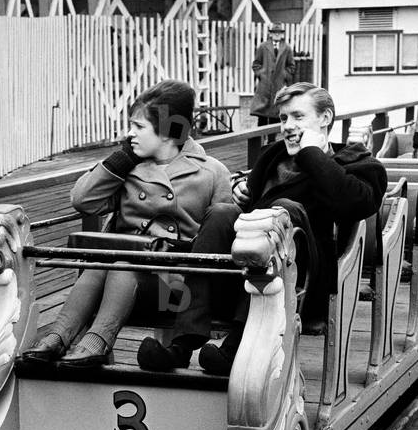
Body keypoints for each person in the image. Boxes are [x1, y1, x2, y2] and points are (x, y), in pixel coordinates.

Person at [138, 82, 387, 374]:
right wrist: (243, 195)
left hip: (301, 283)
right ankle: (181, 346)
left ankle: (236, 347)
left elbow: (357, 204)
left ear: (326, 117)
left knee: (283, 209)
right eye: (283, 119)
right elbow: (245, 220)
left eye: (298, 117)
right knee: (221, 213)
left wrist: (311, 154)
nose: (288, 126)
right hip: (243, 275)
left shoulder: (357, 163)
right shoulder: (272, 157)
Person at [21, 79, 234, 368]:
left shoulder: (211, 173)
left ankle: (97, 340)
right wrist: (122, 160)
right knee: (100, 266)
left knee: (121, 266)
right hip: (123, 277)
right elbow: (83, 200)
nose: (129, 133)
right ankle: (59, 335)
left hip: (177, 290)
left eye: (139, 127)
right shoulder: (127, 169)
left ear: (169, 132)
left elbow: (221, 235)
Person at [250, 24, 296, 127]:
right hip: (265, 86)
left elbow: (291, 66)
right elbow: (256, 64)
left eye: (279, 33)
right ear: (270, 34)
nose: (277, 35)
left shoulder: (287, 48)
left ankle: (271, 141)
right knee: (262, 116)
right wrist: (261, 74)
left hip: (278, 86)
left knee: (275, 116)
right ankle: (260, 141)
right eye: (274, 32)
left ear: (282, 34)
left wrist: (284, 74)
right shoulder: (263, 47)